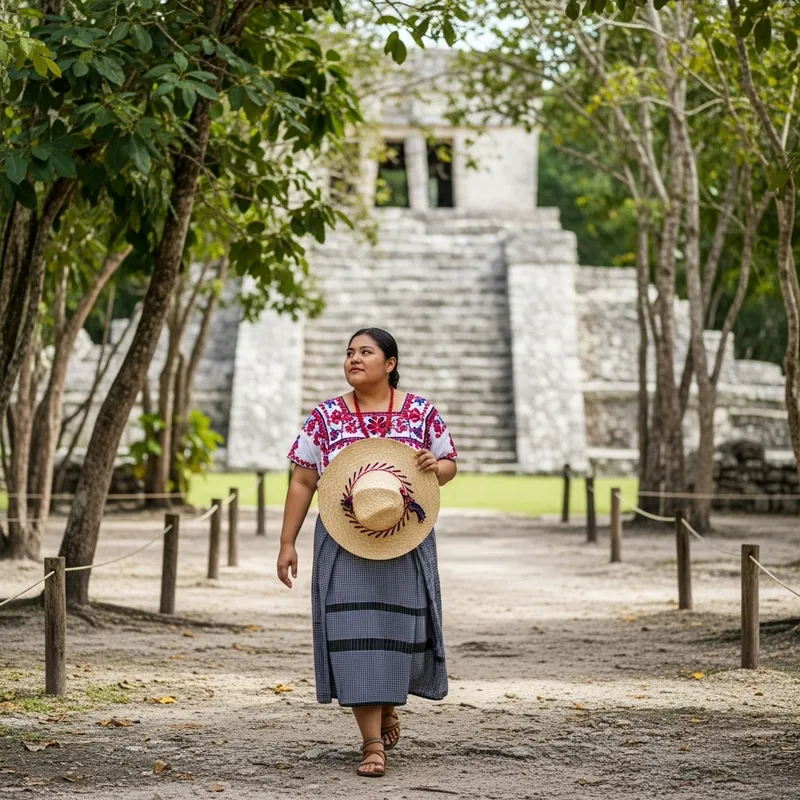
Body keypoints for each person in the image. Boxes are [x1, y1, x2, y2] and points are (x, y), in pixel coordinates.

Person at [277, 327, 458, 778]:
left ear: (390, 364)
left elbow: (449, 462)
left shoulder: (421, 413)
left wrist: (438, 468)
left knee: (401, 633)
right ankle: (372, 742)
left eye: (365, 352)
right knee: (353, 636)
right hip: (343, 542)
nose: (353, 359)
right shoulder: (325, 417)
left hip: (405, 540)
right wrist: (286, 542)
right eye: (349, 353)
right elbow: (302, 480)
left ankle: (386, 703)